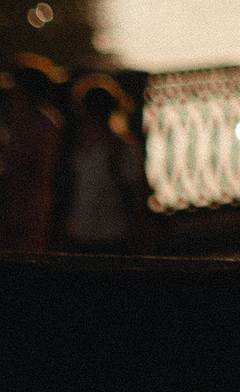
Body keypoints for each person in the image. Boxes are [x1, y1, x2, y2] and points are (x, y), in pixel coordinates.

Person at [57, 78, 149, 252]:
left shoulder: (115, 148)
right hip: (90, 236)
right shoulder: (88, 148)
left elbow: (135, 193)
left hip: (108, 237)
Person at [0, 58, 67, 256]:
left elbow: (42, 170)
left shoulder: (45, 123)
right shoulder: (13, 120)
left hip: (30, 205)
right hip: (11, 202)